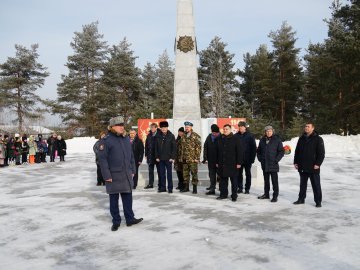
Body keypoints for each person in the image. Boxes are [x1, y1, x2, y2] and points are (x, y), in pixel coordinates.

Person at [98, 116, 143, 231]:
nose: (122, 127)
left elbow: (131, 156)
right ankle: (116, 221)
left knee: (128, 197)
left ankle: (130, 219)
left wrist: (133, 170)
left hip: (126, 174)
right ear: (112, 127)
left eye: (123, 125)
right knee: (114, 199)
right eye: (119, 125)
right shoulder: (106, 141)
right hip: (113, 175)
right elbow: (102, 160)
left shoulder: (126, 138)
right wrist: (107, 176)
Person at [293, 122, 325, 208]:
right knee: (302, 184)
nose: (306, 128)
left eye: (308, 126)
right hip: (302, 165)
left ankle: (318, 201)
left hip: (313, 166)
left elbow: (321, 153)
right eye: (305, 126)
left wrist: (318, 164)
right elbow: (297, 151)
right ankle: (301, 199)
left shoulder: (318, 139)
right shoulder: (301, 138)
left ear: (312, 128)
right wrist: (295, 162)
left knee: (316, 185)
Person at [216, 124, 244, 201]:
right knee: (223, 181)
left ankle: (234, 195)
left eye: (227, 129)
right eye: (224, 129)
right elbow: (217, 152)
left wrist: (239, 163)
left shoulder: (236, 139)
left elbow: (240, 152)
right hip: (222, 163)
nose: (225, 130)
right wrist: (217, 162)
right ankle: (223, 194)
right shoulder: (220, 139)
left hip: (233, 164)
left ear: (230, 130)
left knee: (234, 181)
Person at [257, 126, 284, 203]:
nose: (268, 132)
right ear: (265, 132)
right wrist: (260, 159)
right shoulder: (262, 140)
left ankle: (275, 196)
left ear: (272, 131)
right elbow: (258, 151)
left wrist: (276, 160)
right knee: (266, 181)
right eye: (267, 131)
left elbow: (281, 151)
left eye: (270, 131)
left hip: (273, 164)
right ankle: (266, 194)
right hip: (264, 164)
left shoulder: (277, 140)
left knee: (274, 181)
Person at [155, 121, 176, 193]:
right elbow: (156, 147)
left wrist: (172, 157)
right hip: (160, 159)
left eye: (165, 127)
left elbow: (174, 147)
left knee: (169, 174)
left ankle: (170, 188)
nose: (164, 129)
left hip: (168, 158)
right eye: (162, 128)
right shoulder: (157, 136)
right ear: (160, 128)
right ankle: (162, 188)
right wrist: (157, 156)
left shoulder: (171, 136)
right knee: (161, 174)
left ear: (167, 128)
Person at [235, 121, 256, 194]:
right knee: (238, 174)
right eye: (239, 126)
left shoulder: (250, 136)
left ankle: (247, 189)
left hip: (248, 159)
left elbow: (253, 148)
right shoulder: (236, 136)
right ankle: (240, 188)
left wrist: (252, 158)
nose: (240, 128)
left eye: (242, 126)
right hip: (239, 159)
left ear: (245, 127)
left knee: (248, 174)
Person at [181, 121, 202, 194]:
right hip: (184, 159)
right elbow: (181, 148)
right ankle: (186, 187)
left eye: (188, 127)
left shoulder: (196, 136)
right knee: (185, 174)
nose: (186, 128)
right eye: (186, 127)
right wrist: (181, 157)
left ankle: (194, 188)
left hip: (193, 159)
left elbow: (199, 148)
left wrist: (197, 158)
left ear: (191, 127)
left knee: (194, 174)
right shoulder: (183, 136)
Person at [203, 124, 221, 195]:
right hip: (211, 160)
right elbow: (205, 147)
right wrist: (205, 158)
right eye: (213, 132)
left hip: (219, 161)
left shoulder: (221, 137)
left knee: (220, 175)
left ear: (218, 132)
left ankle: (221, 187)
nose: (214, 134)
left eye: (215, 133)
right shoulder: (209, 137)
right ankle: (212, 189)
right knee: (212, 175)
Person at [144, 123, 161, 189]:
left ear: (156, 128)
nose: (152, 129)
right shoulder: (149, 135)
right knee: (150, 171)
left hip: (157, 156)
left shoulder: (160, 134)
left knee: (159, 171)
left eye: (154, 127)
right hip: (150, 156)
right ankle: (150, 184)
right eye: (151, 127)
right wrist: (146, 154)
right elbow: (146, 145)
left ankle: (160, 184)